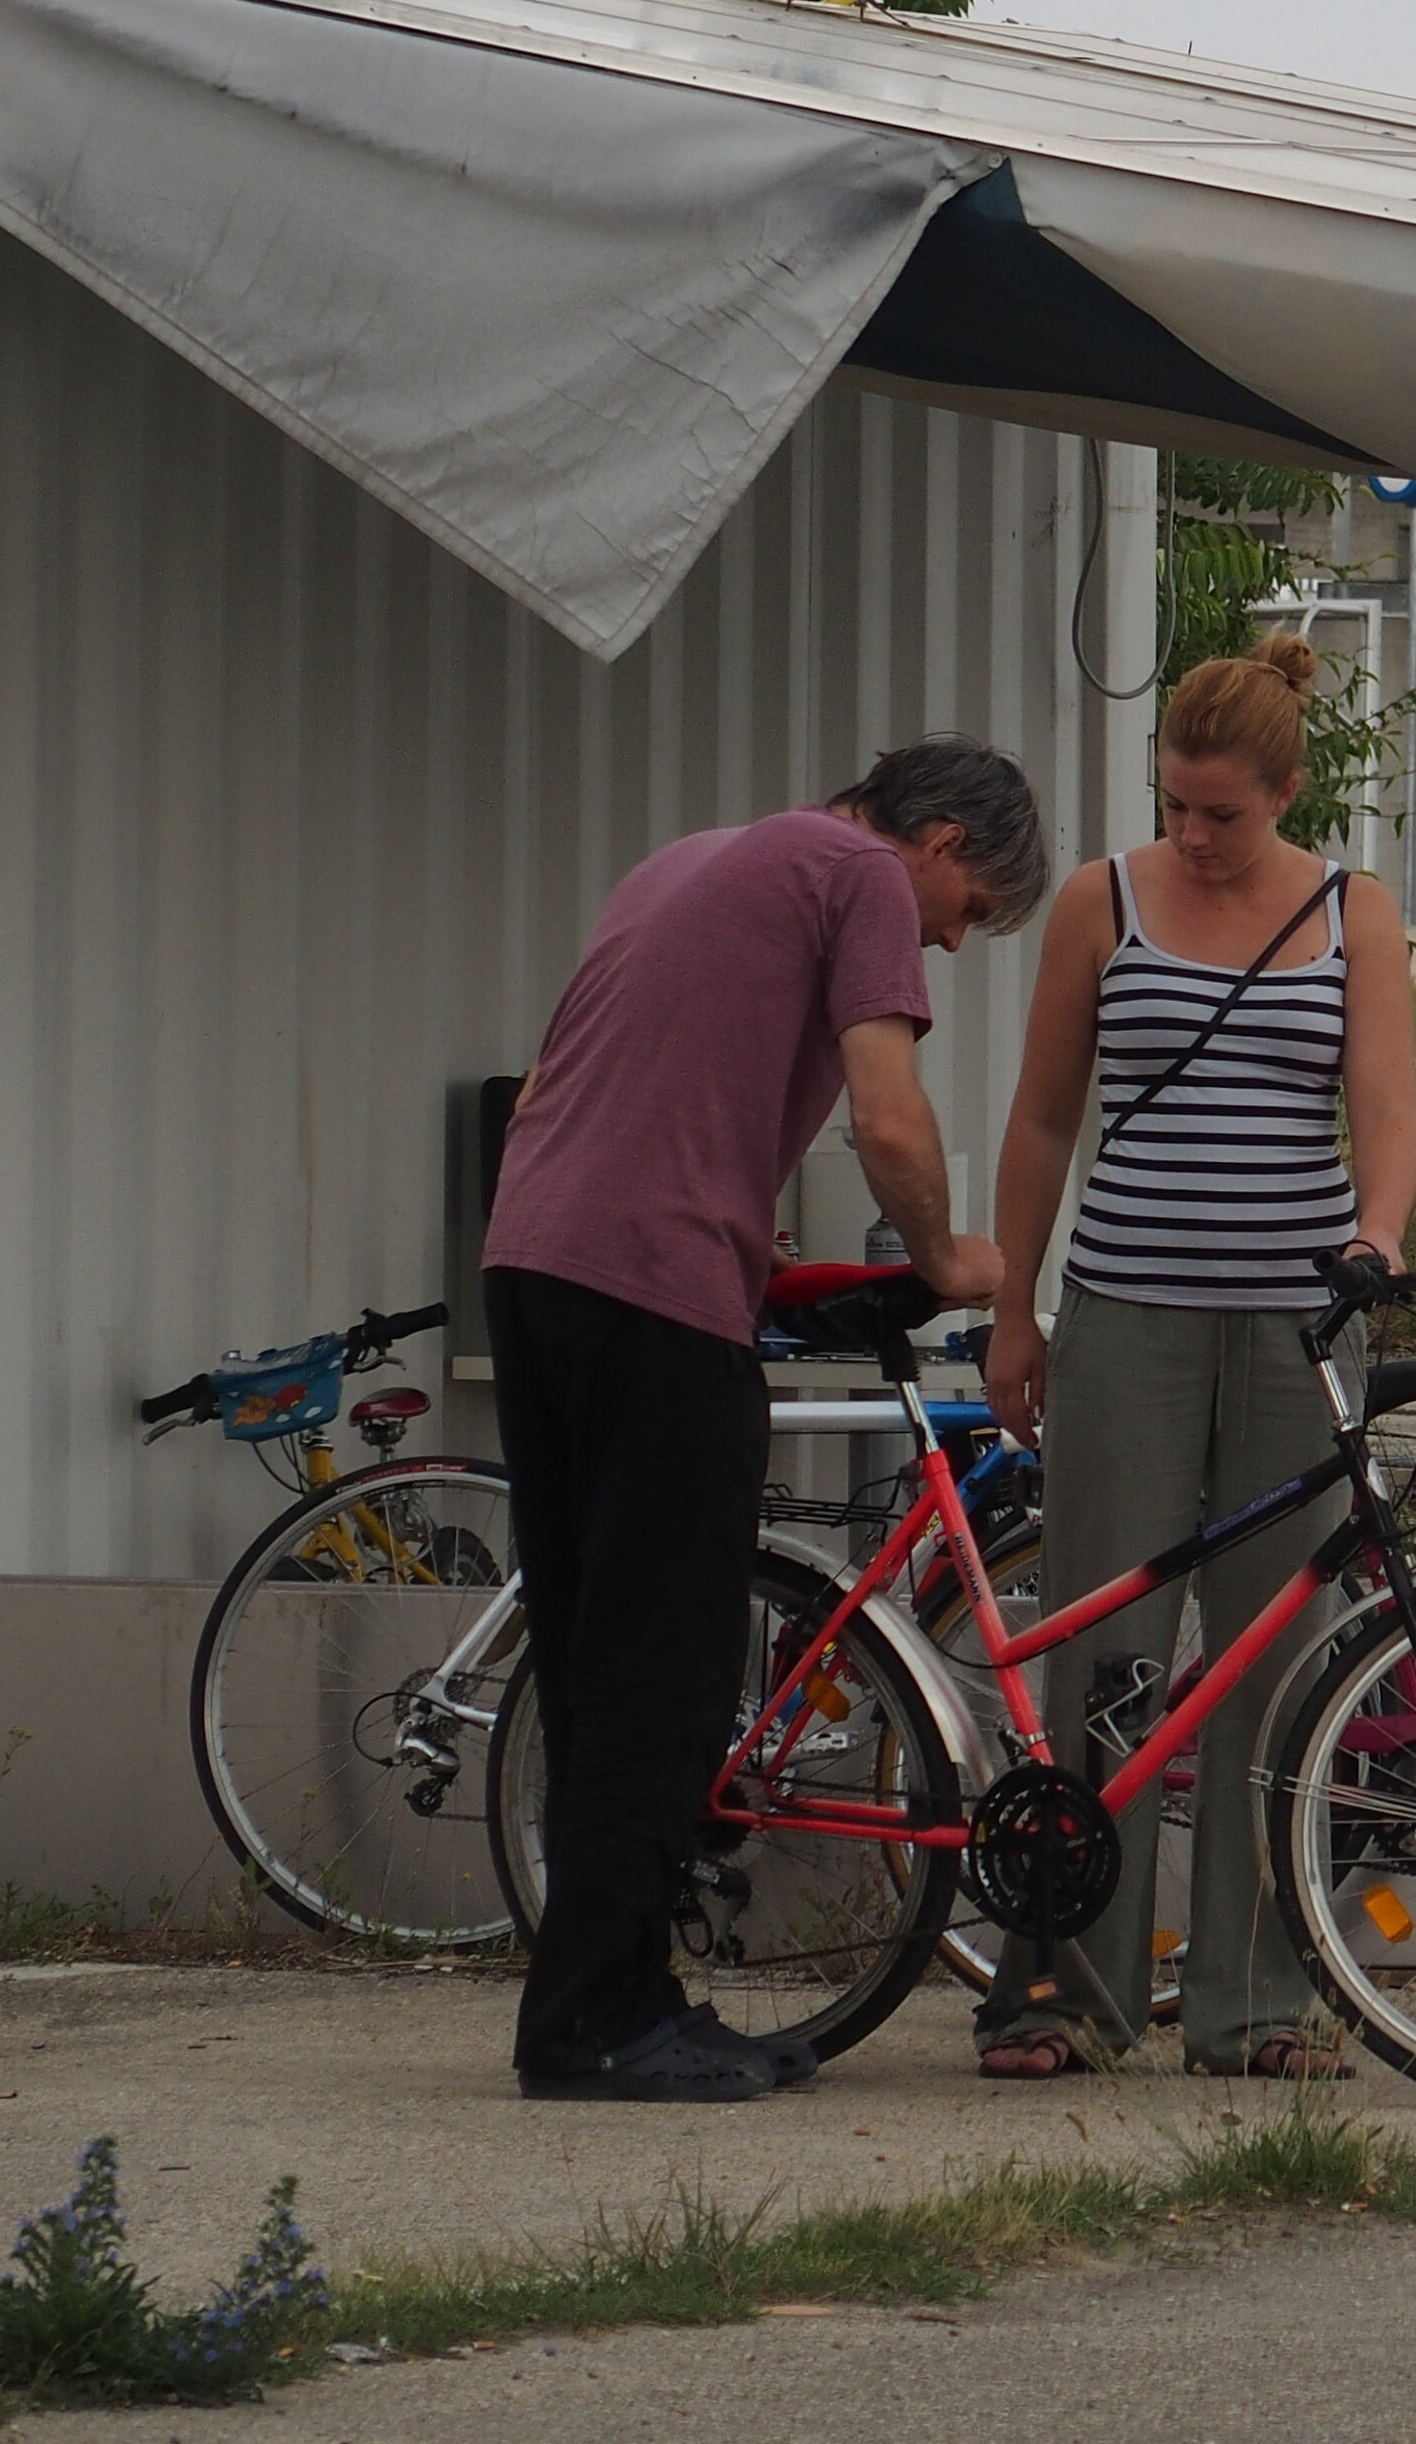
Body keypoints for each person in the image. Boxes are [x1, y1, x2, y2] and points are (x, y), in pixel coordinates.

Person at [480, 737, 1043, 2102]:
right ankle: (591, 2029)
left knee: (590, 1650)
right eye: (966, 921)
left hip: (532, 1267)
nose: (949, 950)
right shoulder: (858, 873)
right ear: (946, 844)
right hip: (654, 1297)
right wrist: (958, 1257)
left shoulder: (686, 861)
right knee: (667, 1666)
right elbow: (890, 1120)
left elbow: (602, 1086)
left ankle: (619, 1997)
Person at [974, 634, 1416, 2080]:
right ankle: (1065, 1994)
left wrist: (1382, 1233)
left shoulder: (1357, 913)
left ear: (1286, 792)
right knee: (1106, 1657)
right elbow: (1045, 1116)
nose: (1195, 833)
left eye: (1223, 812)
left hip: (1292, 1333)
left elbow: (1388, 1110)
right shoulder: (1103, 903)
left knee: (1268, 1663)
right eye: (1176, 804)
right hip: (1128, 1321)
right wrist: (1015, 1307)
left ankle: (1251, 2008)